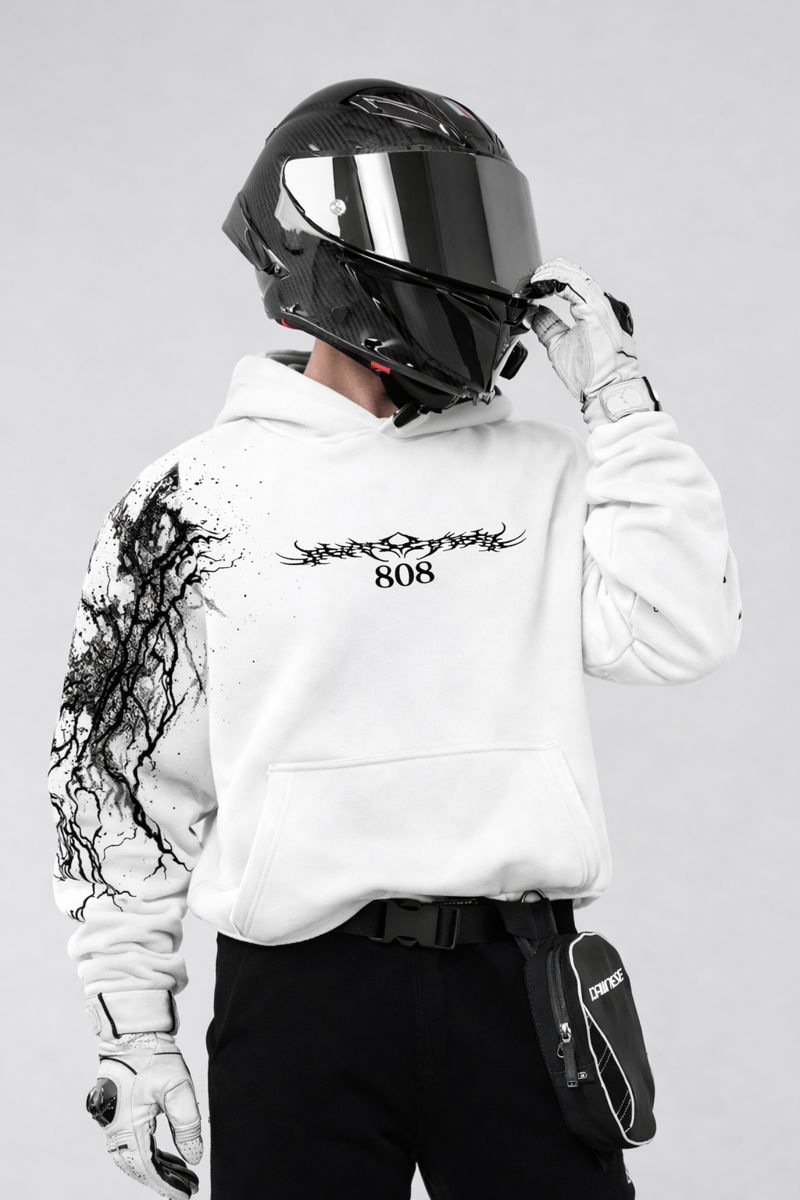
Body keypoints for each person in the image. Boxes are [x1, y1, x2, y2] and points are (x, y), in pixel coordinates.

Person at [48, 77, 743, 1200]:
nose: (481, 262)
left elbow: (683, 630)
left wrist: (618, 399)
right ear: (333, 246)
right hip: (298, 1000)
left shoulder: (540, 472)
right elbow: (117, 782)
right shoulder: (188, 501)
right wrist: (134, 1033)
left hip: (522, 986)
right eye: (442, 223)